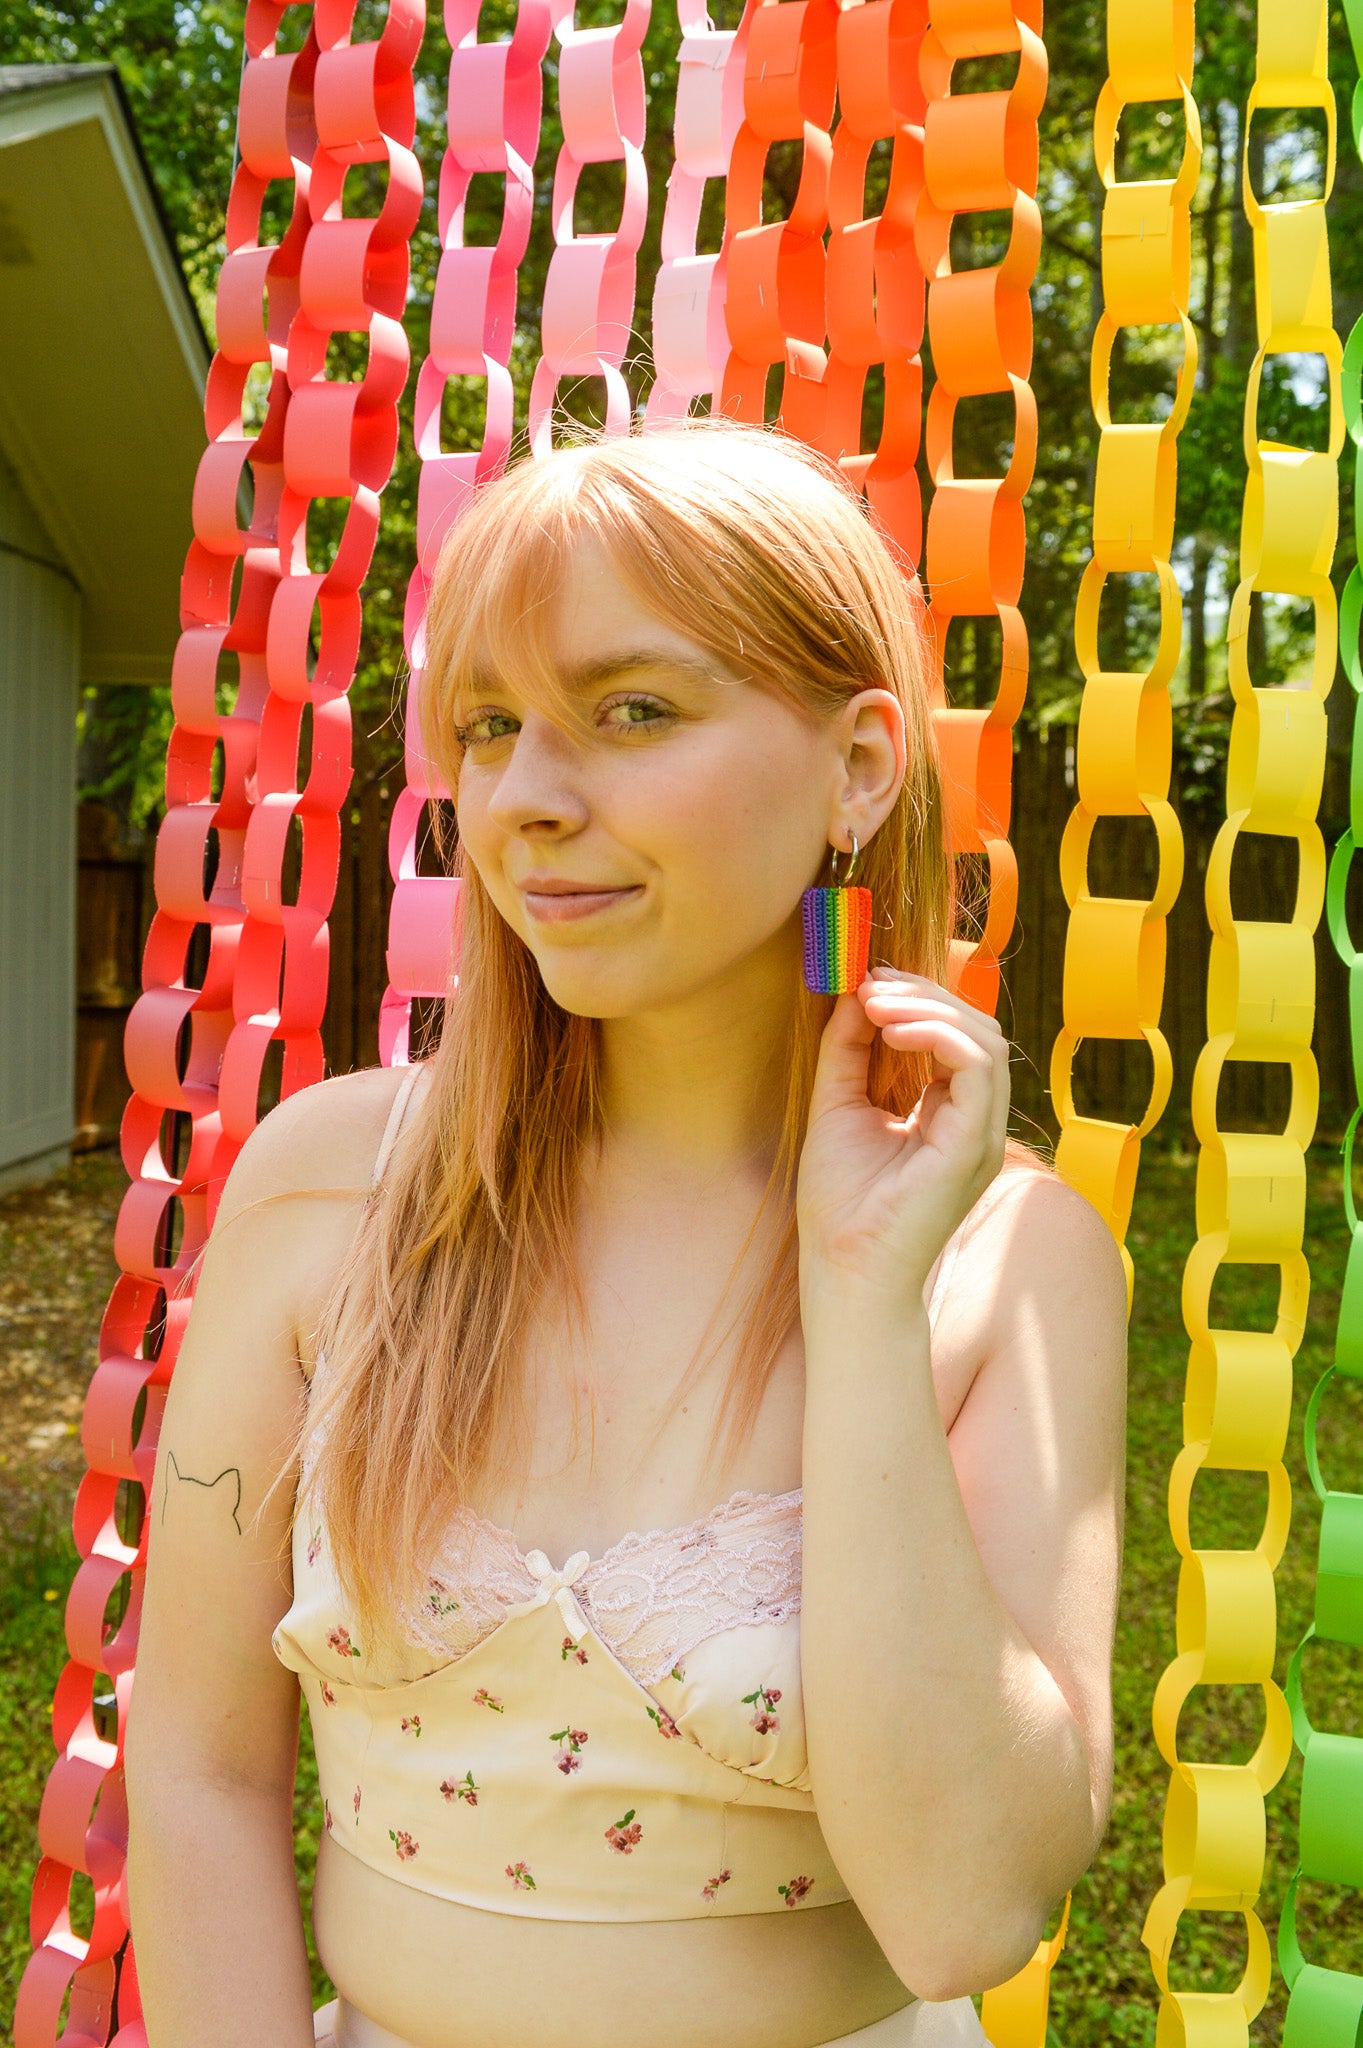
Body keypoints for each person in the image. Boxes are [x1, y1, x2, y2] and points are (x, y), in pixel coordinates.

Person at [124, 415, 1127, 2048]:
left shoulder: (1011, 1264)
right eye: (493, 728)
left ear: (860, 767)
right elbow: (198, 1773)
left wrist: (861, 1296)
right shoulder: (328, 1194)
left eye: (631, 711)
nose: (523, 799)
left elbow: (968, 1911)